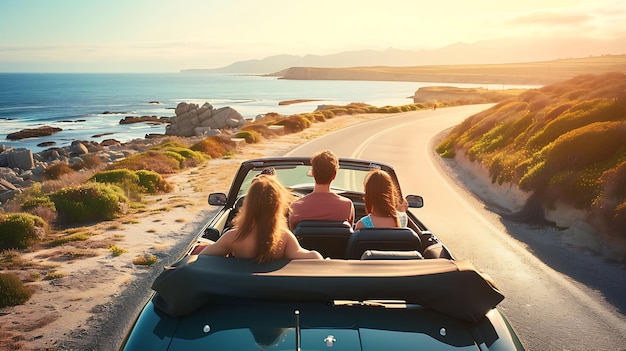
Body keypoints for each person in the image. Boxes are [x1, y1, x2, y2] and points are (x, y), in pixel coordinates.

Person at [200, 175, 322, 262]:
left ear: (248, 204)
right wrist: (317, 255)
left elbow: (202, 258)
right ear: (278, 206)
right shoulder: (284, 238)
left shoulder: (234, 237)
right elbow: (312, 258)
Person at [288, 150, 355, 230]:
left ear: (312, 173)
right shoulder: (347, 206)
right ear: (334, 175)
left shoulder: (296, 207)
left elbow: (292, 235)